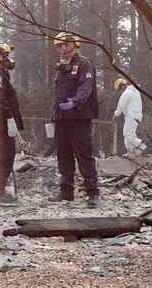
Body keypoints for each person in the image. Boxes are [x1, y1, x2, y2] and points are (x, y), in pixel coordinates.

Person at [50, 32, 100, 208]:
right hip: (62, 119)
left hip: (79, 117)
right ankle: (66, 193)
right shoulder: (62, 67)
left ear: (71, 44)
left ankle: (92, 194)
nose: (59, 49)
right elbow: (57, 94)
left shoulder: (83, 64)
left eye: (61, 45)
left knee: (84, 155)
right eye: (57, 46)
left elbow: (85, 88)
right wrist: (54, 115)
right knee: (63, 156)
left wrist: (75, 102)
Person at [0, 40, 29, 203]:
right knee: (3, 156)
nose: (8, 57)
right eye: (5, 54)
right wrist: (9, 118)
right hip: (0, 124)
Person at [113, 78, 146, 158]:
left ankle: (141, 145)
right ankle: (130, 151)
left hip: (133, 115)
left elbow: (121, 104)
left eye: (119, 90)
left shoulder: (127, 93)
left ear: (122, 87)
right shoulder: (134, 91)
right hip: (134, 115)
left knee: (128, 133)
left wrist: (116, 114)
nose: (119, 92)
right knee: (128, 133)